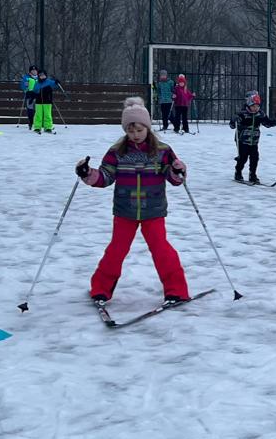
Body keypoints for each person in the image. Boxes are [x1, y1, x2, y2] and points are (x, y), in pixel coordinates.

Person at [76, 97, 191, 307]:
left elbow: (174, 178)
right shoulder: (117, 152)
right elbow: (105, 177)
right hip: (125, 211)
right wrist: (87, 173)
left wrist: (178, 171)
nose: (135, 135)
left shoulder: (162, 150)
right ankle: (100, 289)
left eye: (139, 130)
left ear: (147, 127)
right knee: (116, 250)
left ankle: (177, 290)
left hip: (153, 210)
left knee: (162, 250)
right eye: (130, 131)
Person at [229, 90, 276, 184]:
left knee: (255, 158)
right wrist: (234, 120)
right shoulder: (242, 114)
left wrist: (274, 122)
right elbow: (232, 126)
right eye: (253, 106)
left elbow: (267, 123)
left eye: (257, 106)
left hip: (254, 141)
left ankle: (252, 175)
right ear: (249, 105)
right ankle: (238, 172)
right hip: (242, 140)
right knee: (243, 157)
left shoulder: (260, 114)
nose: (255, 108)